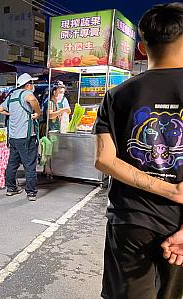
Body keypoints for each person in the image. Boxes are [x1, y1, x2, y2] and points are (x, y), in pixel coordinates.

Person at [93, 3, 183, 298]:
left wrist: (167, 190)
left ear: (142, 48)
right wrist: (173, 193)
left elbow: (104, 160)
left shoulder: (117, 95)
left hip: (131, 220)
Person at [0, 73, 41, 201]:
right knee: (30, 165)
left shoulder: (11, 96)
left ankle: (11, 188)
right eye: (32, 84)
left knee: (12, 164)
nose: (33, 86)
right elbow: (32, 100)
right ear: (27, 85)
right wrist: (38, 113)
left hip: (13, 138)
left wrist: (11, 114)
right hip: (26, 138)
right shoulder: (26, 93)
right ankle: (31, 193)